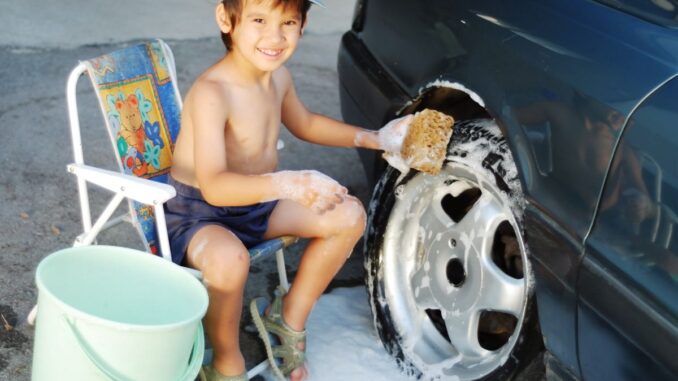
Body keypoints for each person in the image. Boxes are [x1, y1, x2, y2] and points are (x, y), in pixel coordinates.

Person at [163, 1, 412, 380]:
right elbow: (214, 186)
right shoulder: (213, 92)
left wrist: (376, 138)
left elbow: (307, 123)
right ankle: (226, 360)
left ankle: (287, 317)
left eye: (288, 22)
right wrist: (289, 183)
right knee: (230, 261)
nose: (275, 37)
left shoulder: (278, 78)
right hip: (201, 215)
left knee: (348, 216)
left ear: (304, 23)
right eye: (259, 20)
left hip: (257, 204)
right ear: (226, 19)